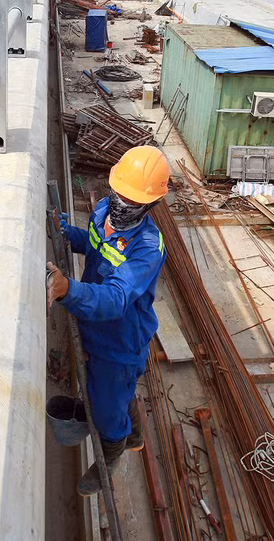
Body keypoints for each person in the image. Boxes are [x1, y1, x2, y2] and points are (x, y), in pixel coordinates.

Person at [46, 145, 170, 496]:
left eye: (131, 200)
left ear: (150, 204)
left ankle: (112, 453)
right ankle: (133, 434)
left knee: (104, 410)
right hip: (93, 323)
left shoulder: (146, 247)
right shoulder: (102, 211)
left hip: (118, 340)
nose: (120, 203)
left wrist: (67, 289)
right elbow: (94, 245)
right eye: (118, 194)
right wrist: (67, 234)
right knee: (116, 395)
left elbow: (116, 299)